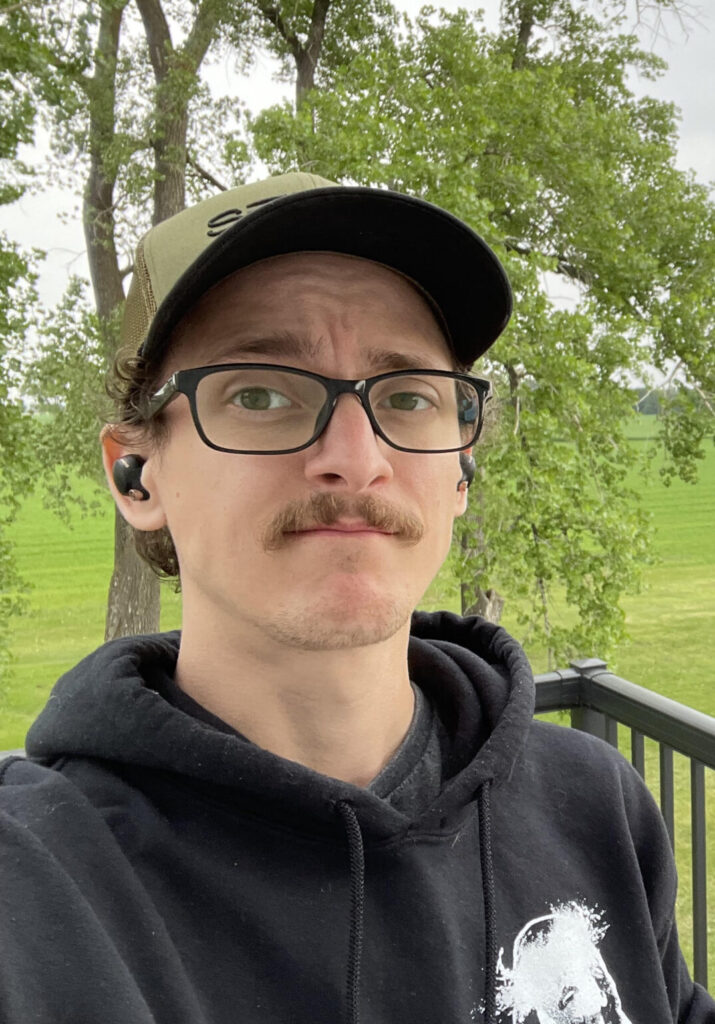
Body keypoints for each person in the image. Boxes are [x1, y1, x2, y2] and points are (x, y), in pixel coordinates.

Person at [0, 172, 712, 1024]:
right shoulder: (37, 886)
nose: (355, 458)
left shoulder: (591, 804)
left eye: (407, 397)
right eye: (260, 392)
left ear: (460, 471)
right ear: (136, 473)